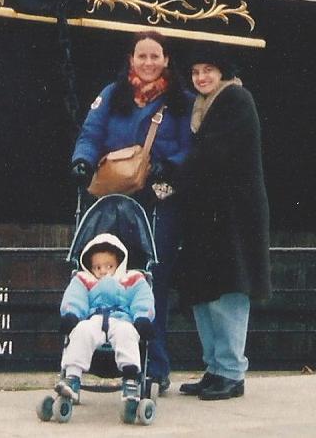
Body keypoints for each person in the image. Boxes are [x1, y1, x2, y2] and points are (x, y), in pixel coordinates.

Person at [70, 30, 194, 393]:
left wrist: (169, 164)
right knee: (106, 275)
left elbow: (191, 147)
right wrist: (82, 161)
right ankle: (100, 359)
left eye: (156, 56)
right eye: (142, 56)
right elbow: (91, 133)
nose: (149, 62)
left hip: (157, 202)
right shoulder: (113, 94)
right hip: (113, 200)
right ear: (131, 59)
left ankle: (155, 364)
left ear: (167, 59)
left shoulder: (181, 102)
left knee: (152, 280)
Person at [175, 44, 271, 401]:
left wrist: (172, 174)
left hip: (233, 214)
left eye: (208, 70)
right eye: (196, 71)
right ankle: (215, 368)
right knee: (204, 292)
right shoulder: (203, 106)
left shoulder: (235, 100)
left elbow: (214, 155)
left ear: (223, 72)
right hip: (209, 214)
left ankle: (231, 373)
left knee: (228, 290)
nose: (201, 77)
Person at [55, 232, 155, 404]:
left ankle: (131, 378)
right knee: (80, 331)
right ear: (90, 267)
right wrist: (72, 315)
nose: (103, 271)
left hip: (122, 319)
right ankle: (72, 377)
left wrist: (142, 317)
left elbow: (143, 298)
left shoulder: (132, 279)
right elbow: (75, 298)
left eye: (109, 266)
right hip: (94, 319)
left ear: (119, 264)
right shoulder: (84, 279)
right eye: (97, 267)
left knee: (127, 333)